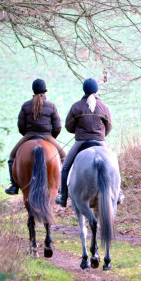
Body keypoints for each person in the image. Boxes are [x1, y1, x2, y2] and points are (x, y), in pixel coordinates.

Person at [55, 78, 124, 207]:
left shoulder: (76, 106)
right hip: (100, 142)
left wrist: (79, 130)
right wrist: (100, 135)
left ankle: (63, 196)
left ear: (84, 90)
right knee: (114, 164)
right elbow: (109, 127)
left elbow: (69, 127)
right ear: (97, 90)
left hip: (81, 142)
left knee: (65, 168)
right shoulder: (103, 106)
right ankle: (118, 192)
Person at [5, 78, 66, 195]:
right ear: (45, 90)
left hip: (29, 135)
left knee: (12, 156)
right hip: (47, 136)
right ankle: (62, 187)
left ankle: (14, 186)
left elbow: (21, 126)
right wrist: (52, 139)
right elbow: (57, 127)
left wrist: (27, 136)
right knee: (64, 157)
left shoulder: (25, 105)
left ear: (33, 90)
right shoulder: (51, 105)